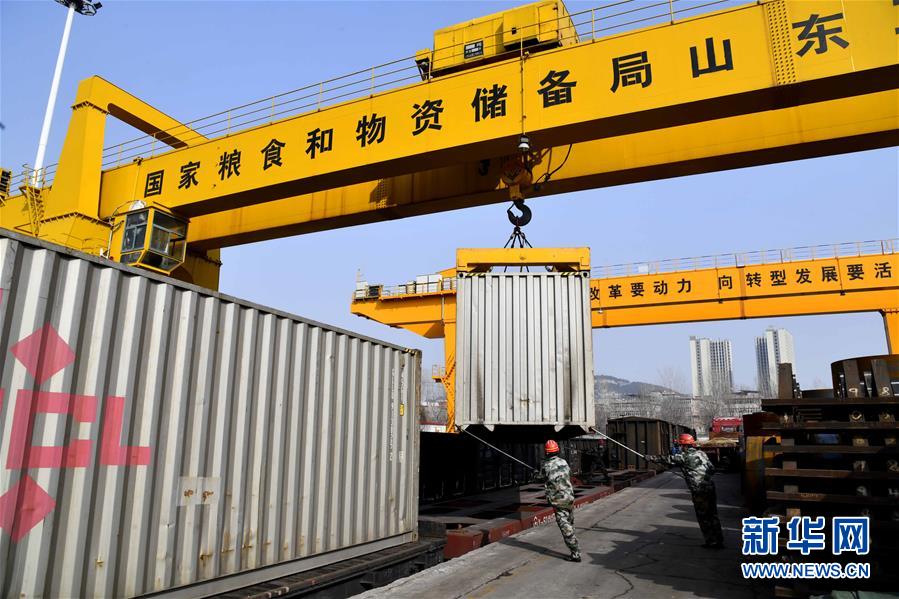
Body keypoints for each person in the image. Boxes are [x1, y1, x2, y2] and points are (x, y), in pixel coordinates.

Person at [648, 433, 724, 549]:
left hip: (699, 490)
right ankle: (719, 540)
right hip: (710, 487)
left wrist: (650, 458)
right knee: (713, 514)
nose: (680, 447)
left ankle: (711, 542)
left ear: (683, 446)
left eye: (680, 445)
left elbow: (666, 459)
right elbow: (712, 469)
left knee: (703, 516)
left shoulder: (684, 456)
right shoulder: (702, 453)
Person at [537, 440, 582, 562]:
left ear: (546, 452)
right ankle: (574, 545)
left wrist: (536, 473)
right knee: (570, 522)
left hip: (559, 500)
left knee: (565, 526)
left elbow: (539, 478)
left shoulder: (546, 465)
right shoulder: (564, 462)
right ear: (557, 450)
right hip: (569, 497)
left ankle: (575, 553)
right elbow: (568, 474)